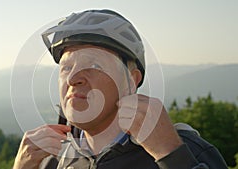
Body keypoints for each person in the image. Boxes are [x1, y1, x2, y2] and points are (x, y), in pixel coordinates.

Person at [13, 9, 228, 169]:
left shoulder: (190, 150)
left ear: (131, 81)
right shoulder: (51, 159)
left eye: (94, 65)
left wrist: (171, 155)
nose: (73, 78)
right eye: (67, 67)